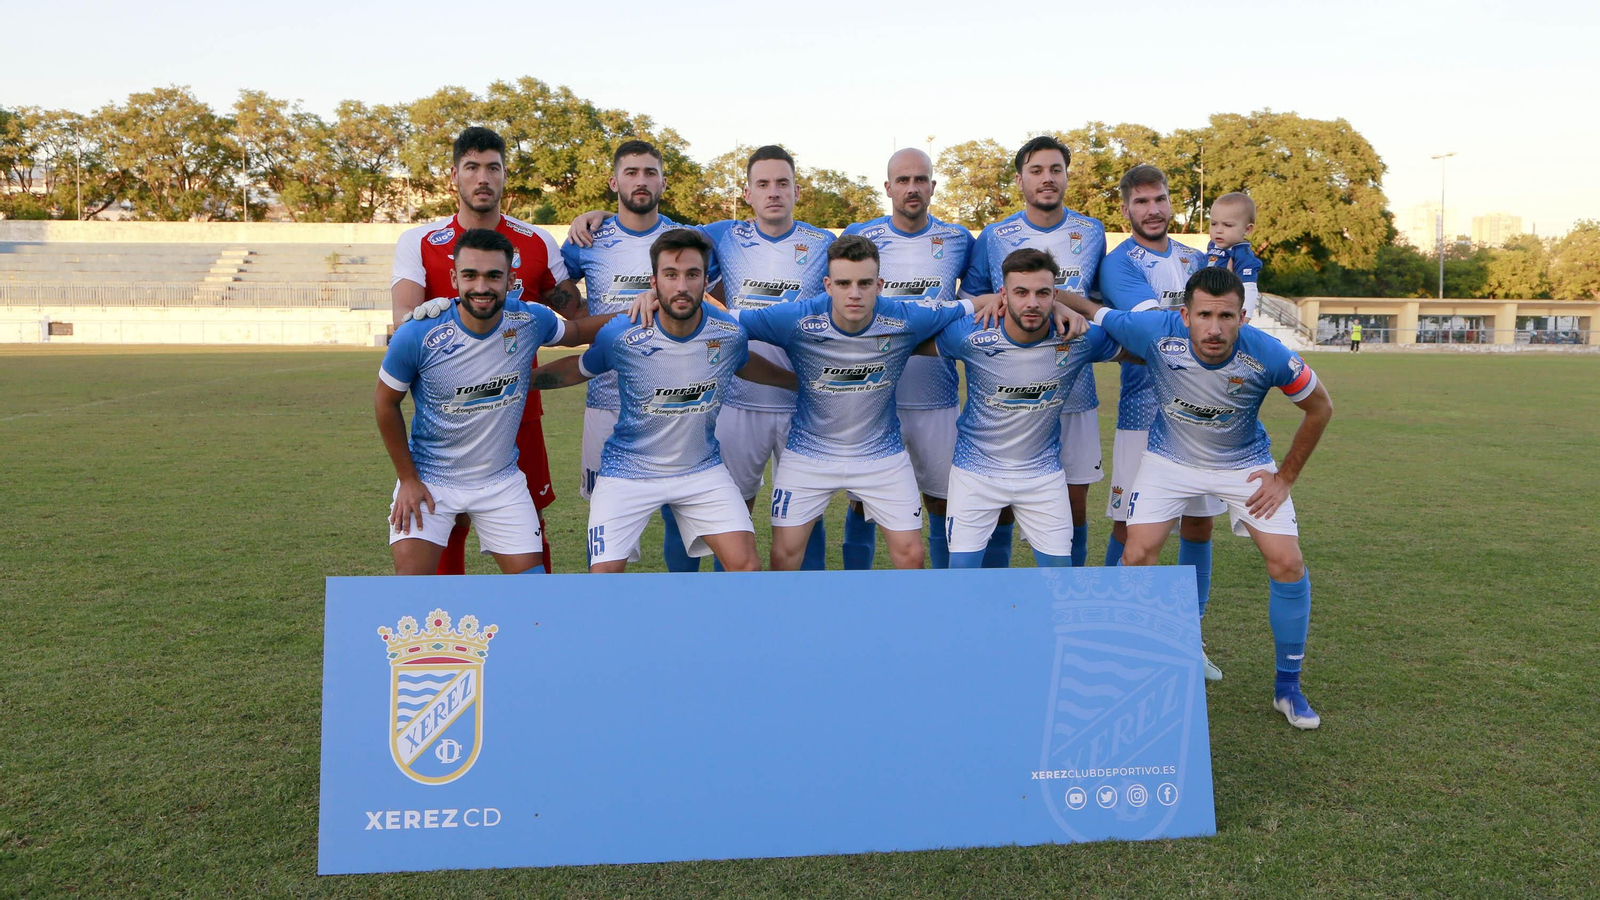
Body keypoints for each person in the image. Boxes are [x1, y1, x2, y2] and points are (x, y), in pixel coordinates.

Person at [1064, 267, 1334, 730]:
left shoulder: (1268, 354)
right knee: (1137, 551)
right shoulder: (1153, 330)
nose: (1215, 327)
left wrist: (1284, 477)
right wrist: (1047, 300)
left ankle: (1288, 688)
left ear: (1243, 317)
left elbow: (1320, 406)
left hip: (1243, 463)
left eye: (1226, 316)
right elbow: (1092, 309)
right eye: (1205, 315)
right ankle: (1132, 665)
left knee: (1287, 562)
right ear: (1184, 315)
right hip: (1169, 461)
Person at [570, 145, 833, 571]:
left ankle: (805, 604)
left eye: (782, 183)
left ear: (797, 190)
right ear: (747, 193)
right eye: (762, 184)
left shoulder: (823, 242)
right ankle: (713, 608)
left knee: (808, 512)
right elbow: (658, 234)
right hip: (734, 400)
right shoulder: (724, 233)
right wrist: (599, 214)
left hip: (802, 400)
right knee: (718, 516)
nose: (773, 193)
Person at [528, 229, 795, 573]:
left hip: (701, 471)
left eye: (692, 275)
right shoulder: (623, 333)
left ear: (705, 280)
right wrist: (518, 384)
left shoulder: (728, 333)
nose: (682, 286)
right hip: (628, 472)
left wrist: (799, 382)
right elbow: (576, 370)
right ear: (654, 282)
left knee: (747, 568)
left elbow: (749, 366)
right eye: (671, 275)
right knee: (602, 578)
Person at [378, 229, 613, 575]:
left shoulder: (529, 319)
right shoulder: (418, 333)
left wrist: (642, 310)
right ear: (454, 278)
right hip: (431, 479)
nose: (482, 287)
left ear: (510, 279)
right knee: (414, 592)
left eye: (493, 275)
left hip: (500, 481)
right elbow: (385, 404)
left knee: (531, 595)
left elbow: (576, 333)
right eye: (470, 275)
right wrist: (408, 480)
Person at [391, 127, 567, 574]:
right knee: (444, 529)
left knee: (528, 518)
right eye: (472, 167)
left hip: (518, 407)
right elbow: (404, 318)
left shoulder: (537, 241)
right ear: (454, 175)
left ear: (506, 175)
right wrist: (425, 312)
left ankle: (534, 624)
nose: (483, 177)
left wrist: (597, 221)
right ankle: (447, 633)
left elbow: (572, 310)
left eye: (493, 167)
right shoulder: (420, 240)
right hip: (449, 415)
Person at [550, 139, 710, 572]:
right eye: (631, 172)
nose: (641, 181)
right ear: (613, 180)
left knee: (682, 516)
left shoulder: (685, 238)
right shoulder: (588, 239)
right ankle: (604, 614)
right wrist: (594, 325)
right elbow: (559, 297)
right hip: (606, 397)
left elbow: (713, 296)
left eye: (650, 172)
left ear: (663, 180)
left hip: (675, 401)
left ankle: (683, 610)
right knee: (604, 519)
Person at [1097, 164, 1227, 681]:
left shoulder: (1197, 258)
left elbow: (1227, 318)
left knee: (1199, 523)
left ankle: (1188, 637)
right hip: (1143, 413)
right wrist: (1202, 322)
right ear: (1126, 209)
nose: (1153, 210)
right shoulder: (1119, 264)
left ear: (1173, 204)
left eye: (1161, 200)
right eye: (1142, 202)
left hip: (1205, 412)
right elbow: (1153, 331)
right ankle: (1106, 636)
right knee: (1130, 526)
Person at [916, 248, 1122, 567]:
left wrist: (1077, 308)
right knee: (961, 579)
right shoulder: (972, 334)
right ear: (1003, 295)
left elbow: (1143, 346)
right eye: (1020, 292)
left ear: (1054, 296)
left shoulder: (1078, 337)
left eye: (1042, 294)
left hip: (1042, 477)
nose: (1031, 303)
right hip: (975, 474)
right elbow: (906, 338)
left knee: (1059, 582)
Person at [962, 137, 1108, 569]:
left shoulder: (1092, 232)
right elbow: (975, 304)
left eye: (1055, 169)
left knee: (1074, 502)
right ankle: (1000, 606)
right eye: (1037, 170)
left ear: (1066, 174)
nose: (1047, 178)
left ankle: (1069, 599)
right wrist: (1040, 301)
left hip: (1075, 387)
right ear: (1020, 178)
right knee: (1001, 502)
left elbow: (1099, 304)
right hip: (1010, 393)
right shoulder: (994, 236)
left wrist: (1063, 302)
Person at [837, 148, 973, 570]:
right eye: (903, 180)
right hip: (874, 396)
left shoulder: (958, 239)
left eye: (920, 180)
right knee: (863, 503)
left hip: (936, 397)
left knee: (941, 499)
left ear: (932, 186)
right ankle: (858, 592)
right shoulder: (861, 236)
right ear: (888, 187)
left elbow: (973, 305)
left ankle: (941, 596)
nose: (912, 188)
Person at [1205, 192, 1263, 318]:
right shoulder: (1212, 245)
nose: (1218, 230)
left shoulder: (1243, 256)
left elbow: (1249, 288)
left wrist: (1245, 317)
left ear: (1247, 229)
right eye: (1214, 223)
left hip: (1222, 308)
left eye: (1227, 225)